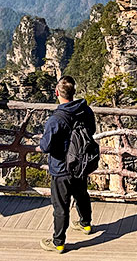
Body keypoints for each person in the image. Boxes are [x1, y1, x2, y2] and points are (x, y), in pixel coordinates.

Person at [39, 76, 97, 254]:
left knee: (61, 205)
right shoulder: (85, 111)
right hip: (81, 163)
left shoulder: (56, 119)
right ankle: (86, 224)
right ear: (74, 92)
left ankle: (58, 242)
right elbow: (92, 130)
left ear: (57, 93)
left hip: (61, 167)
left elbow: (45, 146)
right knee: (81, 193)